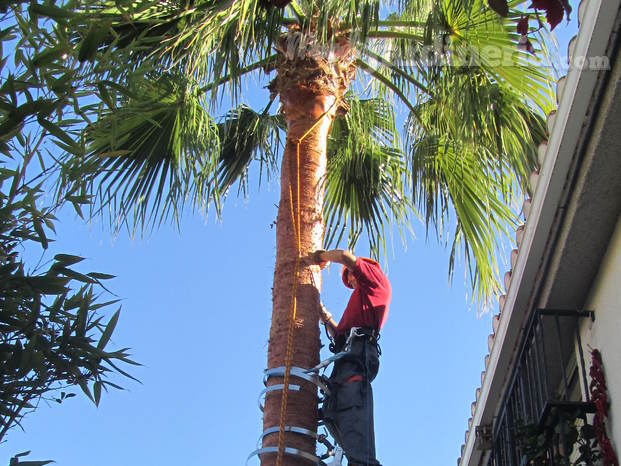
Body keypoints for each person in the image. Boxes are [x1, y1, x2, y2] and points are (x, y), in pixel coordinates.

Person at [310, 249, 391, 466]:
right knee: (331, 413)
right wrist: (321, 312)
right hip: (346, 367)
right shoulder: (360, 304)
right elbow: (340, 334)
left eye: (351, 277)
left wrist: (319, 257)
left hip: (354, 366)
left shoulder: (376, 281)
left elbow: (346, 257)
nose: (352, 281)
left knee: (360, 456)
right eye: (348, 279)